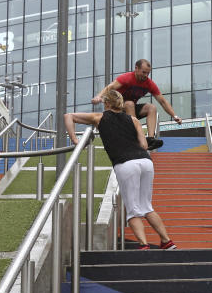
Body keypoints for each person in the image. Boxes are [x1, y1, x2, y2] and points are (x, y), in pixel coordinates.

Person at [65, 89, 177, 250]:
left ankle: (143, 245)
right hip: (145, 161)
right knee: (146, 206)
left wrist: (76, 140)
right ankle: (166, 241)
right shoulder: (133, 119)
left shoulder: (99, 117)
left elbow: (68, 116)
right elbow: (145, 145)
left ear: (107, 103)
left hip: (125, 163)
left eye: (104, 103)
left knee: (132, 209)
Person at [92, 59, 183, 150]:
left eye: (148, 73)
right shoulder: (126, 78)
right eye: (143, 72)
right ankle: (136, 136)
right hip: (117, 110)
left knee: (151, 107)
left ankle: (150, 139)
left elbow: (162, 101)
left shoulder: (149, 84)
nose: (146, 76)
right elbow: (110, 87)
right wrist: (99, 96)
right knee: (129, 103)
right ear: (136, 68)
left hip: (130, 112)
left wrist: (174, 115)